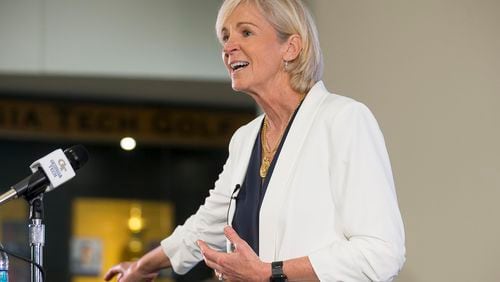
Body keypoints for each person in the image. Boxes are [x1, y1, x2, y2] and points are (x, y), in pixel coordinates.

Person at [104, 0, 405, 281]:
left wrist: (268, 273)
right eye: (224, 37)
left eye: (246, 32)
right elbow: (207, 226)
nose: (228, 48)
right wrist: (141, 266)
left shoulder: (344, 120)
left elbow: (382, 253)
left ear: (291, 47)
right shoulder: (245, 139)